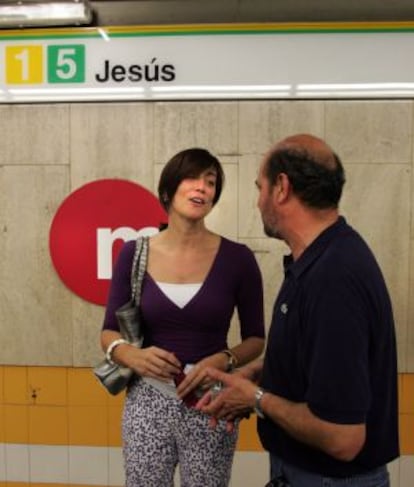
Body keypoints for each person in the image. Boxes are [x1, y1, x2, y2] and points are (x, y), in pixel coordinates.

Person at [197, 134, 400, 487]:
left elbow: (343, 438)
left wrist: (257, 399)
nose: (257, 201)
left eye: (260, 187)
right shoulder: (318, 259)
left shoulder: (334, 277)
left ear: (282, 188)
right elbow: (321, 361)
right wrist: (264, 372)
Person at [100, 147, 265, 487]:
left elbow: (256, 339)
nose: (202, 188)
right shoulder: (134, 253)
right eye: (192, 178)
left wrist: (224, 358)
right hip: (147, 399)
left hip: (210, 400)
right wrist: (131, 354)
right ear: (167, 190)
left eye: (211, 182)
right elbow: (108, 332)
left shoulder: (238, 259)